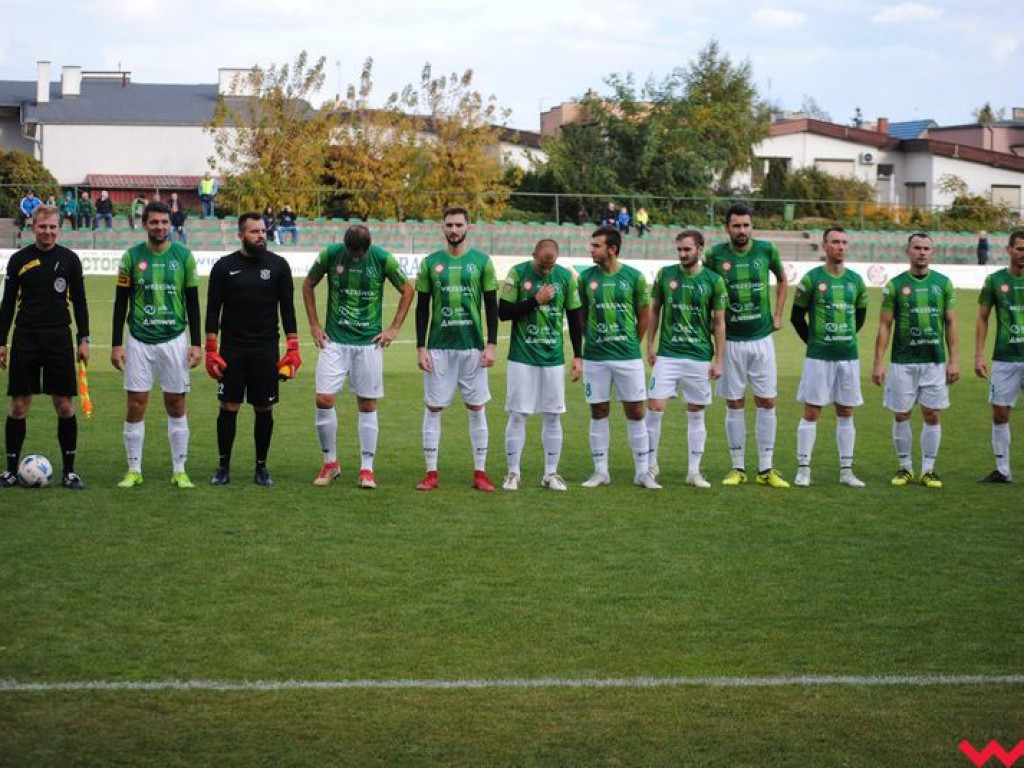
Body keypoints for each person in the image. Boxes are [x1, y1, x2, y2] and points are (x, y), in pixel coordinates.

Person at [303, 224, 414, 489]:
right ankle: (330, 463)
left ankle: (367, 469)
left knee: (367, 404)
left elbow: (408, 290)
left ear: (367, 247)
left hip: (368, 343)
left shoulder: (382, 258)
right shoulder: (330, 255)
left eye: (359, 254)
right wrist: (314, 325)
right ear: (345, 246)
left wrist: (394, 328)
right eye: (351, 253)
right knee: (323, 398)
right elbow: (308, 285)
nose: (355, 258)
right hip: (335, 340)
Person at [110, 201, 202, 488]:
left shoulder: (184, 257)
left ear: (170, 224)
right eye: (154, 222)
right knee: (136, 403)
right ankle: (134, 469)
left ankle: (179, 469)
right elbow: (120, 302)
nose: (159, 227)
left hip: (175, 339)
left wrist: (197, 343)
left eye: (164, 222)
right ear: (144, 224)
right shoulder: (130, 258)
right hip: (138, 339)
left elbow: (194, 302)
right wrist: (116, 344)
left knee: (176, 403)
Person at [205, 213, 299, 486]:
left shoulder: (279, 266)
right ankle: (223, 467)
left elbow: (288, 309)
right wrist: (211, 349)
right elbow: (213, 310)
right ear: (241, 235)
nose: (261, 235)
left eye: (263, 231)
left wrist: (293, 347)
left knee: (263, 408)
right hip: (232, 350)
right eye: (255, 231)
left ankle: (261, 467)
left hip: (265, 350)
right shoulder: (224, 267)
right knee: (229, 406)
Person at [0, 206, 89, 489]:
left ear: (58, 228)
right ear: (33, 227)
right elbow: (7, 305)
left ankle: (70, 471)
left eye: (52, 227)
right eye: (42, 227)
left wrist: (84, 338)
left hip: (59, 339)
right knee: (19, 405)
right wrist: (1, 341)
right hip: (26, 337)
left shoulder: (70, 260)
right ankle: (12, 470)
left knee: (64, 405)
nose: (48, 232)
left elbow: (81, 302)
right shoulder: (19, 260)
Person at [705, 202, 790, 488]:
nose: (742, 230)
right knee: (735, 403)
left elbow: (782, 278)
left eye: (746, 225)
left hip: (761, 339)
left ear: (752, 226)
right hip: (729, 342)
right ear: (727, 228)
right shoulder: (715, 255)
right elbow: (706, 290)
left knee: (767, 401)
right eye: (736, 225)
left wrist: (778, 314)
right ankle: (737, 467)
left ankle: (766, 468)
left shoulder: (767, 250)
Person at [414, 206, 499, 492]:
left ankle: (480, 472)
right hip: (438, 347)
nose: (454, 230)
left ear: (468, 227)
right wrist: (420, 347)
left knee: (476, 407)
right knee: (434, 407)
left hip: (472, 347)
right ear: (443, 228)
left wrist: (491, 344)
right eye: (449, 225)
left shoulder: (482, 262)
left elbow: (491, 305)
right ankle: (431, 473)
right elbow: (422, 307)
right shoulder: (430, 263)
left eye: (459, 225)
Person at [871, 232, 959, 488]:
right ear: (907, 251)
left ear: (932, 252)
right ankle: (905, 468)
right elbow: (885, 326)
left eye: (926, 248)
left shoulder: (943, 284)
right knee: (901, 415)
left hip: (934, 361)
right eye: (917, 247)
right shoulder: (896, 285)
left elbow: (951, 323)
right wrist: (878, 363)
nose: (921, 252)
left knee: (932, 415)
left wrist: (954, 360)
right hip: (902, 362)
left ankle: (928, 470)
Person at [499, 238, 583, 492]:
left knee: (553, 415)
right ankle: (513, 473)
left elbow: (575, 317)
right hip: (522, 357)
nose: (546, 270)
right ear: (534, 254)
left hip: (553, 358)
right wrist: (535, 299)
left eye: (550, 265)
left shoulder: (565, 278)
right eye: (542, 264)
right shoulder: (518, 273)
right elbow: (503, 312)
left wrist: (578, 356)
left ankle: (551, 473)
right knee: (517, 414)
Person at [578, 225, 658, 489]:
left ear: (612, 249)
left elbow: (644, 315)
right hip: (596, 357)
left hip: (627, 357)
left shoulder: (634, 277)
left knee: (635, 411)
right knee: (598, 410)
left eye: (596, 245)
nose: (591, 249)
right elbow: (581, 314)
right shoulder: (585, 278)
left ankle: (643, 472)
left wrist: (631, 344)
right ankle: (601, 471)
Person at [645, 230, 726, 489]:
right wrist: (650, 344)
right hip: (668, 354)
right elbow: (654, 310)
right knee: (655, 407)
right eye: (679, 249)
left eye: (687, 250)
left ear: (700, 249)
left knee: (696, 411)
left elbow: (719, 322)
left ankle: (694, 471)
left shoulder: (714, 281)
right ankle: (650, 466)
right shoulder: (665, 275)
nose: (682, 254)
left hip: (699, 356)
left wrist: (719, 359)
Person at [790, 228, 869, 487]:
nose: (841, 247)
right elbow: (796, 317)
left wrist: (842, 339)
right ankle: (803, 469)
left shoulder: (856, 281)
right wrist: (815, 341)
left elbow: (860, 317)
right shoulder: (812, 279)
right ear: (825, 246)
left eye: (844, 242)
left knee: (846, 411)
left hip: (848, 356)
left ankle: (846, 471)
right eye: (835, 242)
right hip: (818, 358)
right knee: (812, 411)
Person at [973, 230, 1024, 483]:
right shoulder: (995, 281)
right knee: (1000, 413)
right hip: (1004, 357)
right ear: (1009, 250)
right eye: (1020, 249)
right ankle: (1003, 471)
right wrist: (978, 355)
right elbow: (982, 318)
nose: (1023, 254)